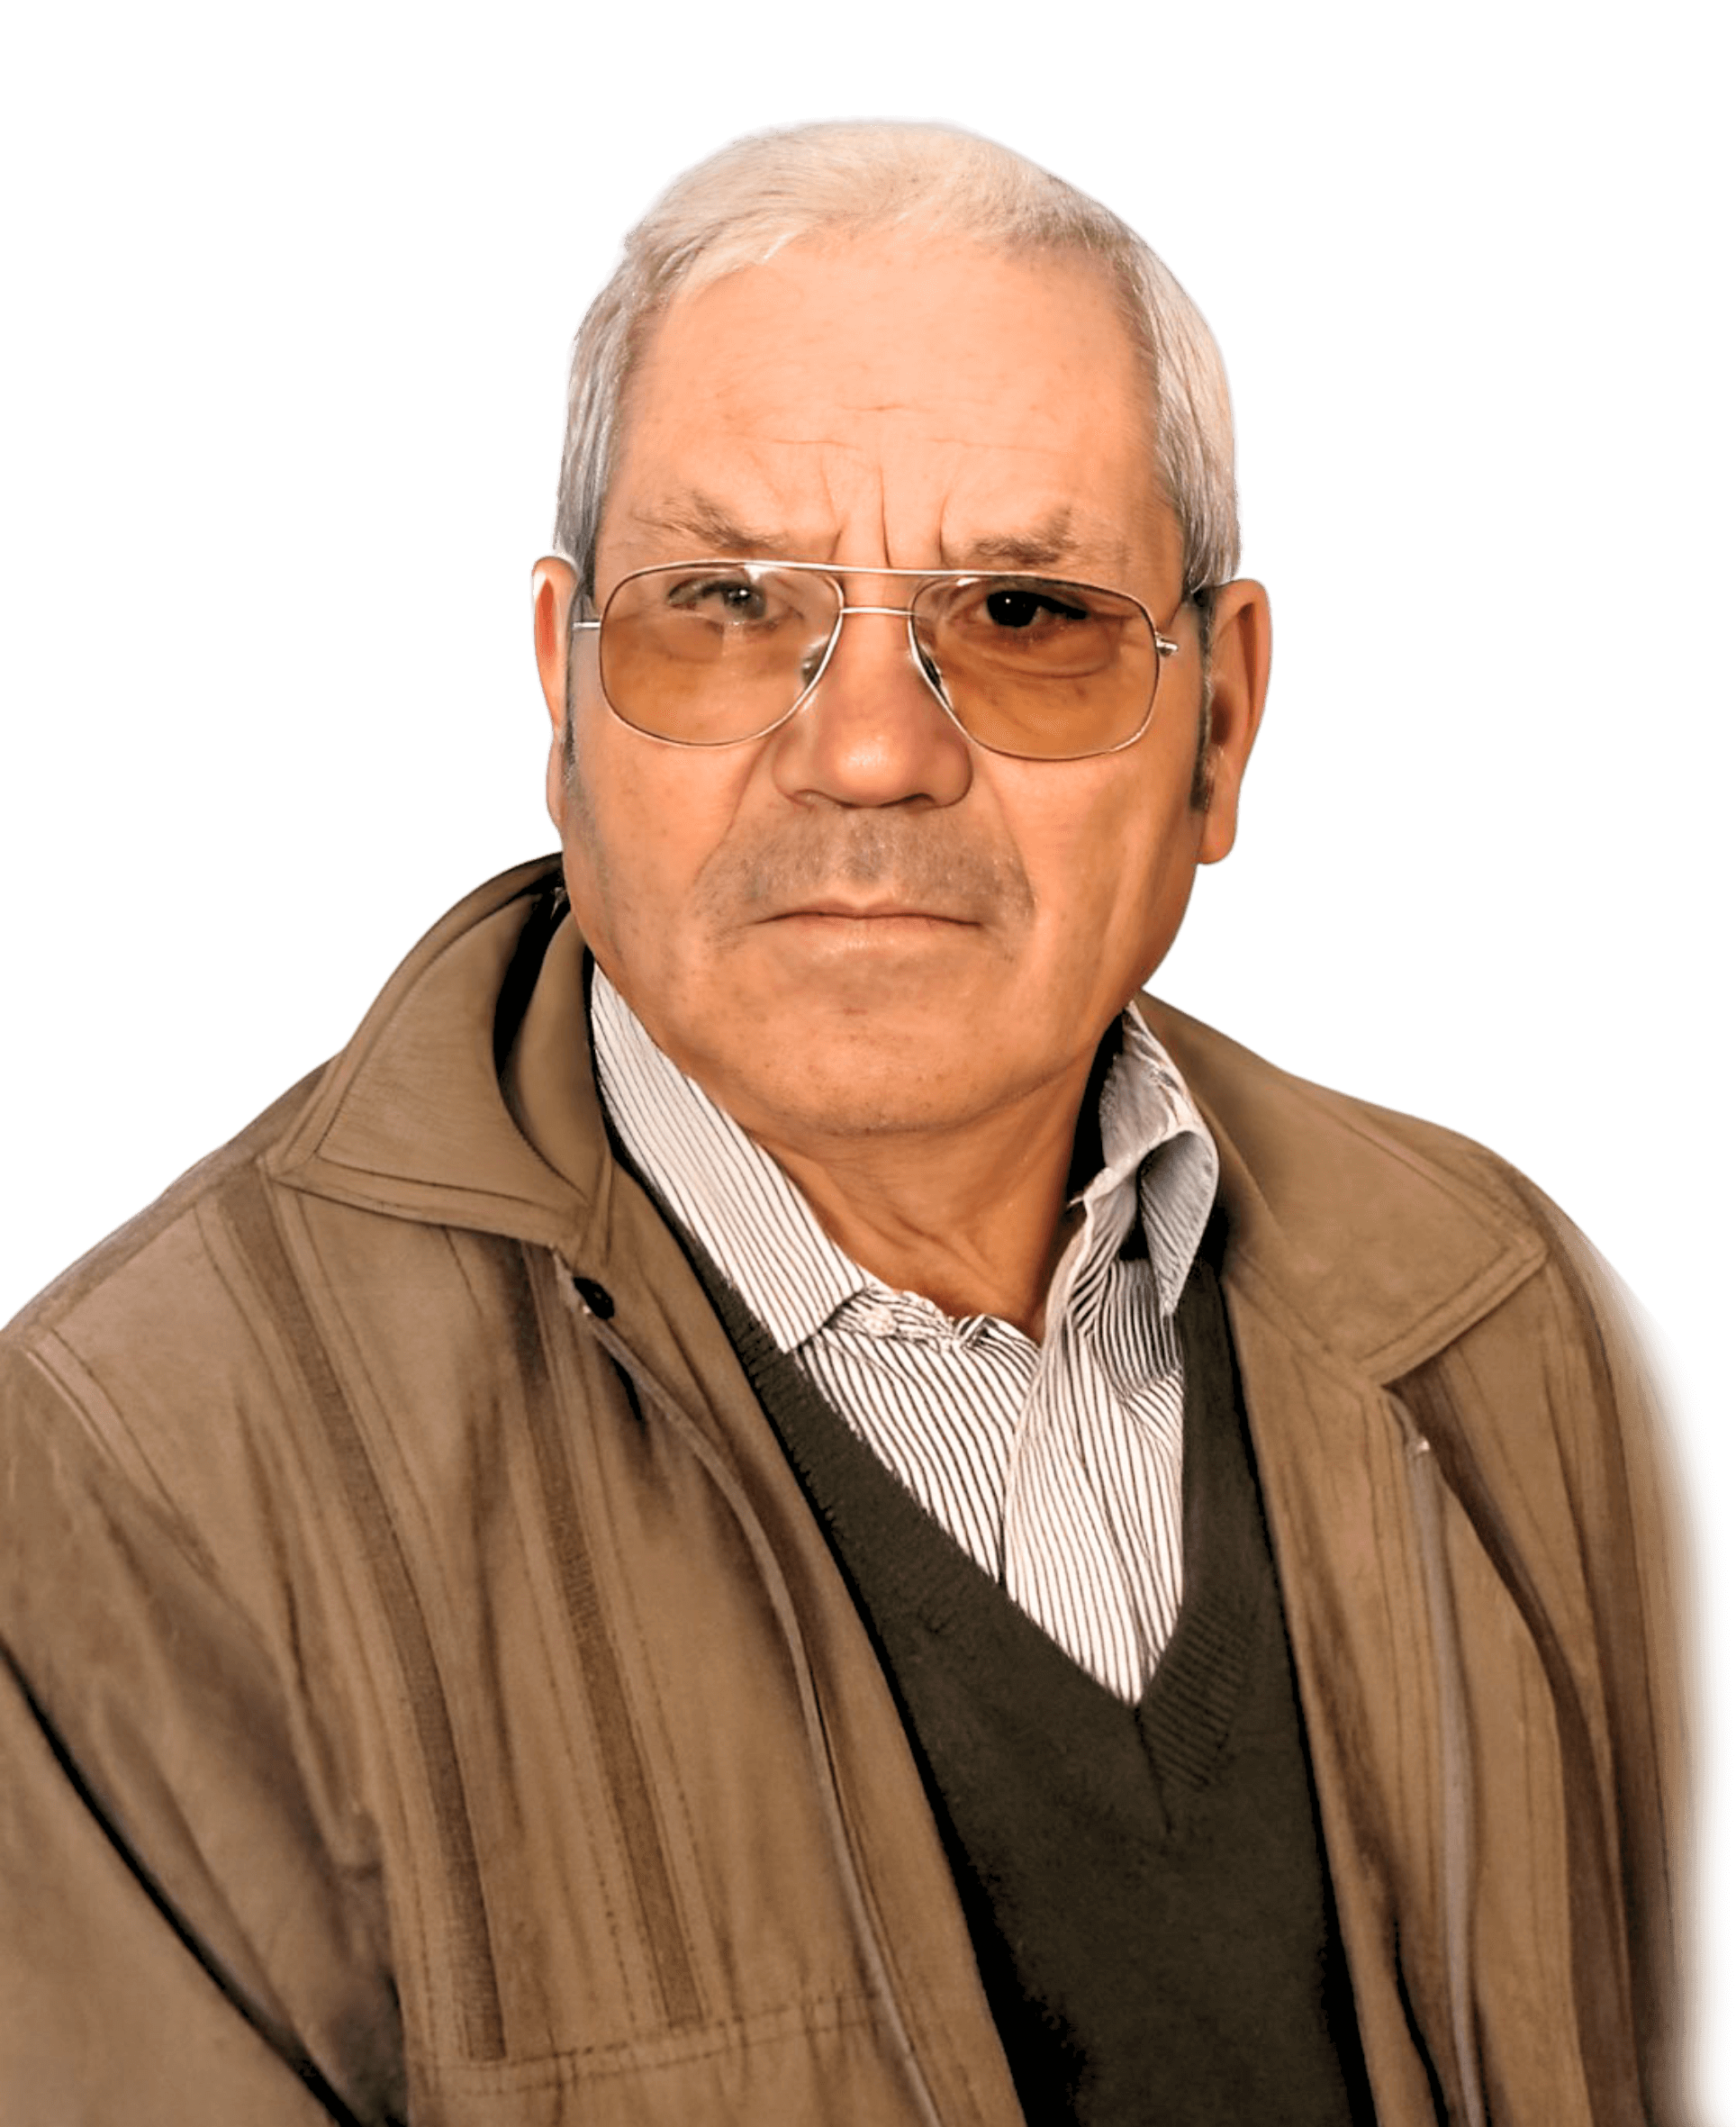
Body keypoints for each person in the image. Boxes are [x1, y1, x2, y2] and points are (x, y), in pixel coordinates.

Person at [1, 114, 1723, 2125]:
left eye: (1027, 615)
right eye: (727, 601)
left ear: (1222, 722)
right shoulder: (132, 1472)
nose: (874, 751)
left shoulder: (1516, 1325)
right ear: (559, 690)